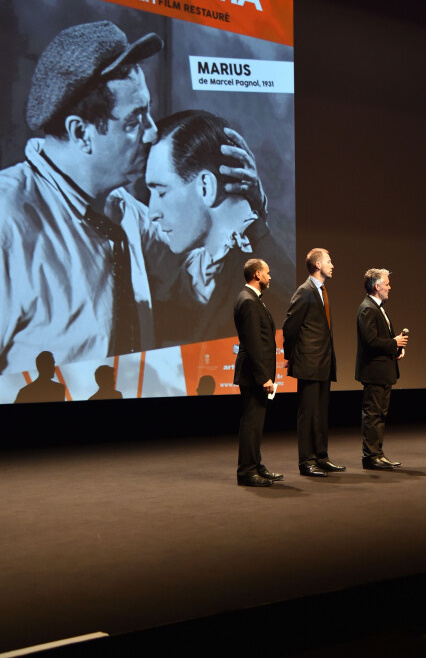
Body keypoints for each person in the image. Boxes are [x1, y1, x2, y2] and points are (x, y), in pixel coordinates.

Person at [0, 21, 265, 375]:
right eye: (134, 120)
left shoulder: (122, 209)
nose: (152, 132)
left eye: (148, 111)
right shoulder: (7, 222)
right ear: (82, 133)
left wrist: (246, 213)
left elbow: (194, 281)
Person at [145, 110, 295, 345]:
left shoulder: (266, 290)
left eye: (162, 192)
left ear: (206, 187)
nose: (152, 211)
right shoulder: (216, 267)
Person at [283, 248, 345, 477]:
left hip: (323, 362)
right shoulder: (305, 291)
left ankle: (321, 457)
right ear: (317, 265)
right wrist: (290, 355)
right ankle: (306, 461)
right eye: (329, 261)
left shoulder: (321, 291)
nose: (332, 265)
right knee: (308, 413)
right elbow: (290, 327)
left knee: (320, 413)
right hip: (309, 363)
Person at [233, 259, 283, 487]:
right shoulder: (248, 301)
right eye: (267, 273)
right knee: (251, 423)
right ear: (257, 274)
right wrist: (263, 377)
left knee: (256, 422)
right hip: (254, 375)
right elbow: (253, 343)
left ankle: (255, 464)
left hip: (255, 373)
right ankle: (246, 471)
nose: (270, 277)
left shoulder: (253, 299)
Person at [355, 268, 408, 470]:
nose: (389, 287)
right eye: (386, 284)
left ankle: (377, 453)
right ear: (377, 287)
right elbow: (370, 341)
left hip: (382, 371)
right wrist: (393, 343)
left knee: (380, 414)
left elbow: (380, 340)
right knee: (373, 414)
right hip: (374, 372)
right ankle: (370, 456)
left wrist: (395, 350)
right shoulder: (368, 308)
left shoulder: (378, 307)